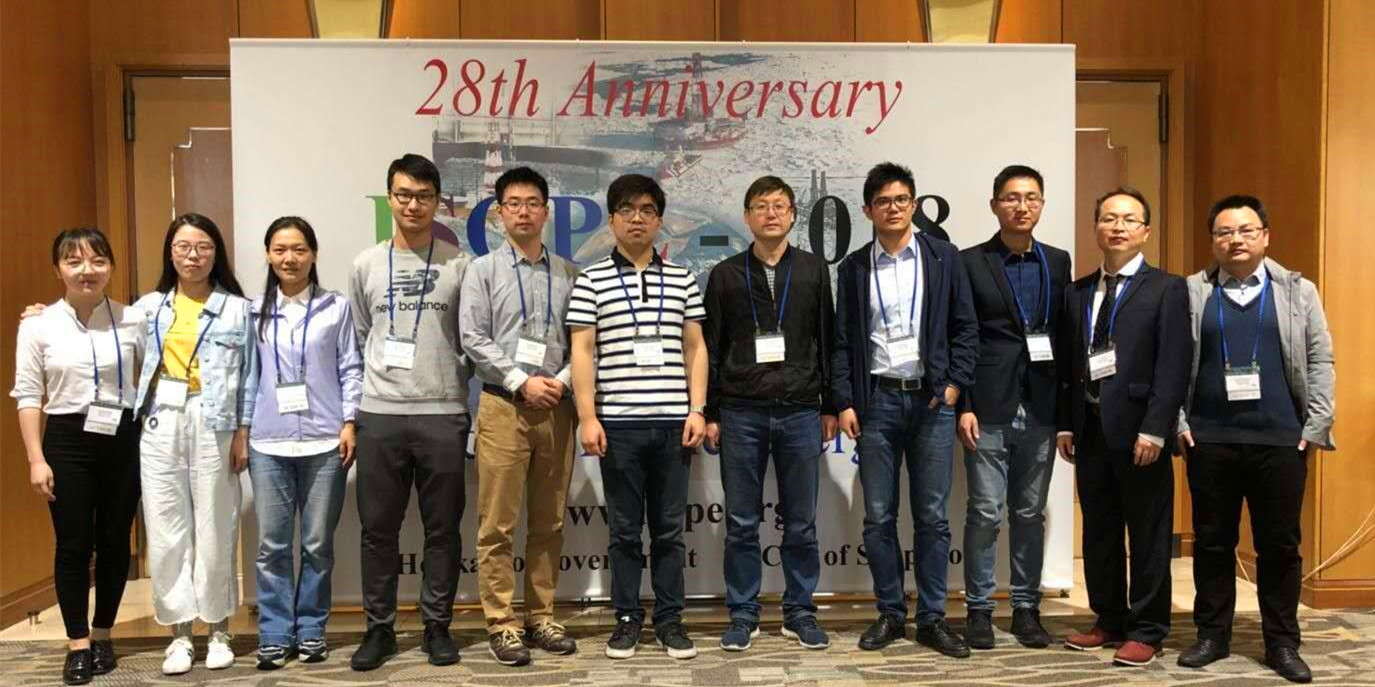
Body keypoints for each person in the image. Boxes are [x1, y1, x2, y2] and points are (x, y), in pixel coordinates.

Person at [1174, 195, 1334, 684]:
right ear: (1213, 241)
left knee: (1280, 546)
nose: (1235, 240)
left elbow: (1320, 358)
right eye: (1224, 232)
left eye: (1246, 230)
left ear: (1265, 236)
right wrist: (1179, 422)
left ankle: (1282, 642)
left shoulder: (1298, 291)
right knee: (1213, 542)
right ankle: (1212, 635)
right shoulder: (1192, 292)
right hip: (1210, 439)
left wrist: (1316, 425)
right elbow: (1173, 361)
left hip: (1281, 440)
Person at [831, 162, 978, 657]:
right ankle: (891, 613)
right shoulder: (854, 267)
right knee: (878, 517)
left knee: (933, 517)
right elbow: (843, 341)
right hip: (877, 402)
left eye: (901, 200)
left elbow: (965, 327)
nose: (892, 208)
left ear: (913, 205)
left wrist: (954, 386)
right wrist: (845, 400)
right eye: (883, 201)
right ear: (868, 210)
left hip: (931, 401)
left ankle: (933, 617)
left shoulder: (942, 257)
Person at [568, 173, 707, 660]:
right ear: (611, 220)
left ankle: (670, 620)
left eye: (647, 210)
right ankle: (627, 618)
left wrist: (696, 408)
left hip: (672, 424)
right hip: (619, 425)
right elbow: (582, 353)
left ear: (659, 221)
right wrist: (588, 417)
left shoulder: (683, 278)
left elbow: (695, 348)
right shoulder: (591, 281)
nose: (637, 219)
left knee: (669, 531)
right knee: (624, 532)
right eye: (626, 210)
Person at [1056, 188, 1190, 667]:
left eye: (1129, 219)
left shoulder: (1167, 288)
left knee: (1148, 535)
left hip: (1141, 435)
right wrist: (1065, 425)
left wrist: (1156, 429)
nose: (1118, 227)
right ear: (1095, 227)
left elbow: (1173, 366)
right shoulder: (1077, 291)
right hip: (1090, 430)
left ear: (1145, 232)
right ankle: (1108, 619)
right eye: (1109, 218)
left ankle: (1148, 629)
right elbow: (1069, 365)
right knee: (1100, 532)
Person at [347, 153, 471, 671]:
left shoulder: (459, 265)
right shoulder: (365, 265)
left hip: (443, 413)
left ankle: (437, 626)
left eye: (424, 196)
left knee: (443, 530)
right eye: (404, 195)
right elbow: (360, 337)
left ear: (438, 202)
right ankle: (379, 629)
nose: (413, 205)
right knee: (378, 530)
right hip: (380, 414)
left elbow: (470, 340)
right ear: (390, 198)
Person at [702, 175, 836, 652]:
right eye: (761, 206)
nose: (771, 213)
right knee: (742, 521)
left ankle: (800, 611)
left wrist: (831, 404)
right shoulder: (724, 275)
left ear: (794, 215)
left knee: (801, 521)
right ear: (747, 217)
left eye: (780, 205)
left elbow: (828, 340)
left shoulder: (813, 271)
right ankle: (743, 613)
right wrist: (711, 411)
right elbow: (711, 347)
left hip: (801, 411)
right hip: (741, 412)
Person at [12, 228, 145, 685]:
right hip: (67, 440)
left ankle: (103, 633)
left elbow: (150, 378)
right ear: (58, 269)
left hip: (122, 438)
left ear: (111, 266)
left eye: (97, 260)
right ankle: (78, 644)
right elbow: (28, 394)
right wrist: (36, 458)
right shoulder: (37, 324)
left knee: (115, 541)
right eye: (74, 261)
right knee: (73, 544)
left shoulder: (133, 319)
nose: (87, 270)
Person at [459, 167, 580, 666]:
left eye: (533, 203)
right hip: (503, 406)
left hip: (557, 407)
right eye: (514, 203)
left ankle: (542, 616)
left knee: (550, 519)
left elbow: (583, 342)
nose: (524, 211)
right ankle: (502, 622)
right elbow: (473, 336)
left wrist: (563, 382)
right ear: (499, 213)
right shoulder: (482, 271)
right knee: (497, 523)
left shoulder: (569, 273)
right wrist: (519, 380)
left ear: (546, 212)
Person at [134, 213, 258, 675]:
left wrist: (243, 431)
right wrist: (45, 314)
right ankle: (180, 634)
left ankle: (219, 629)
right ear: (170, 252)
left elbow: (251, 375)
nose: (193, 256)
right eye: (183, 247)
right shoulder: (149, 308)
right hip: (162, 419)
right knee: (166, 527)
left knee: (216, 525)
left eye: (203, 247)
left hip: (216, 420)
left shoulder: (238, 309)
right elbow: (101, 329)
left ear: (216, 253)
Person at [956, 165, 1070, 650]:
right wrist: (964, 403)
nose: (1021, 206)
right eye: (1011, 197)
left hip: (1041, 404)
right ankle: (979, 610)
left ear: (1041, 204)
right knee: (985, 512)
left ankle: (1026, 609)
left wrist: (1066, 415)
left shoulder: (1058, 261)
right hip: (988, 404)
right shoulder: (971, 262)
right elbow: (962, 334)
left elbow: (1064, 337)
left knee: (1029, 512)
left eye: (1030, 197)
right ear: (994, 205)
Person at [247, 217, 363, 670]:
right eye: (280, 250)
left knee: (317, 545)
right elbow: (248, 377)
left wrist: (349, 421)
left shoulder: (336, 307)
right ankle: (275, 633)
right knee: (272, 546)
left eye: (298, 249)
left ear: (313, 254)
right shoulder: (252, 311)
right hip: (269, 442)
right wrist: (243, 430)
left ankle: (312, 628)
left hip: (324, 441)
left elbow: (350, 367)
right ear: (268, 255)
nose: (289, 258)